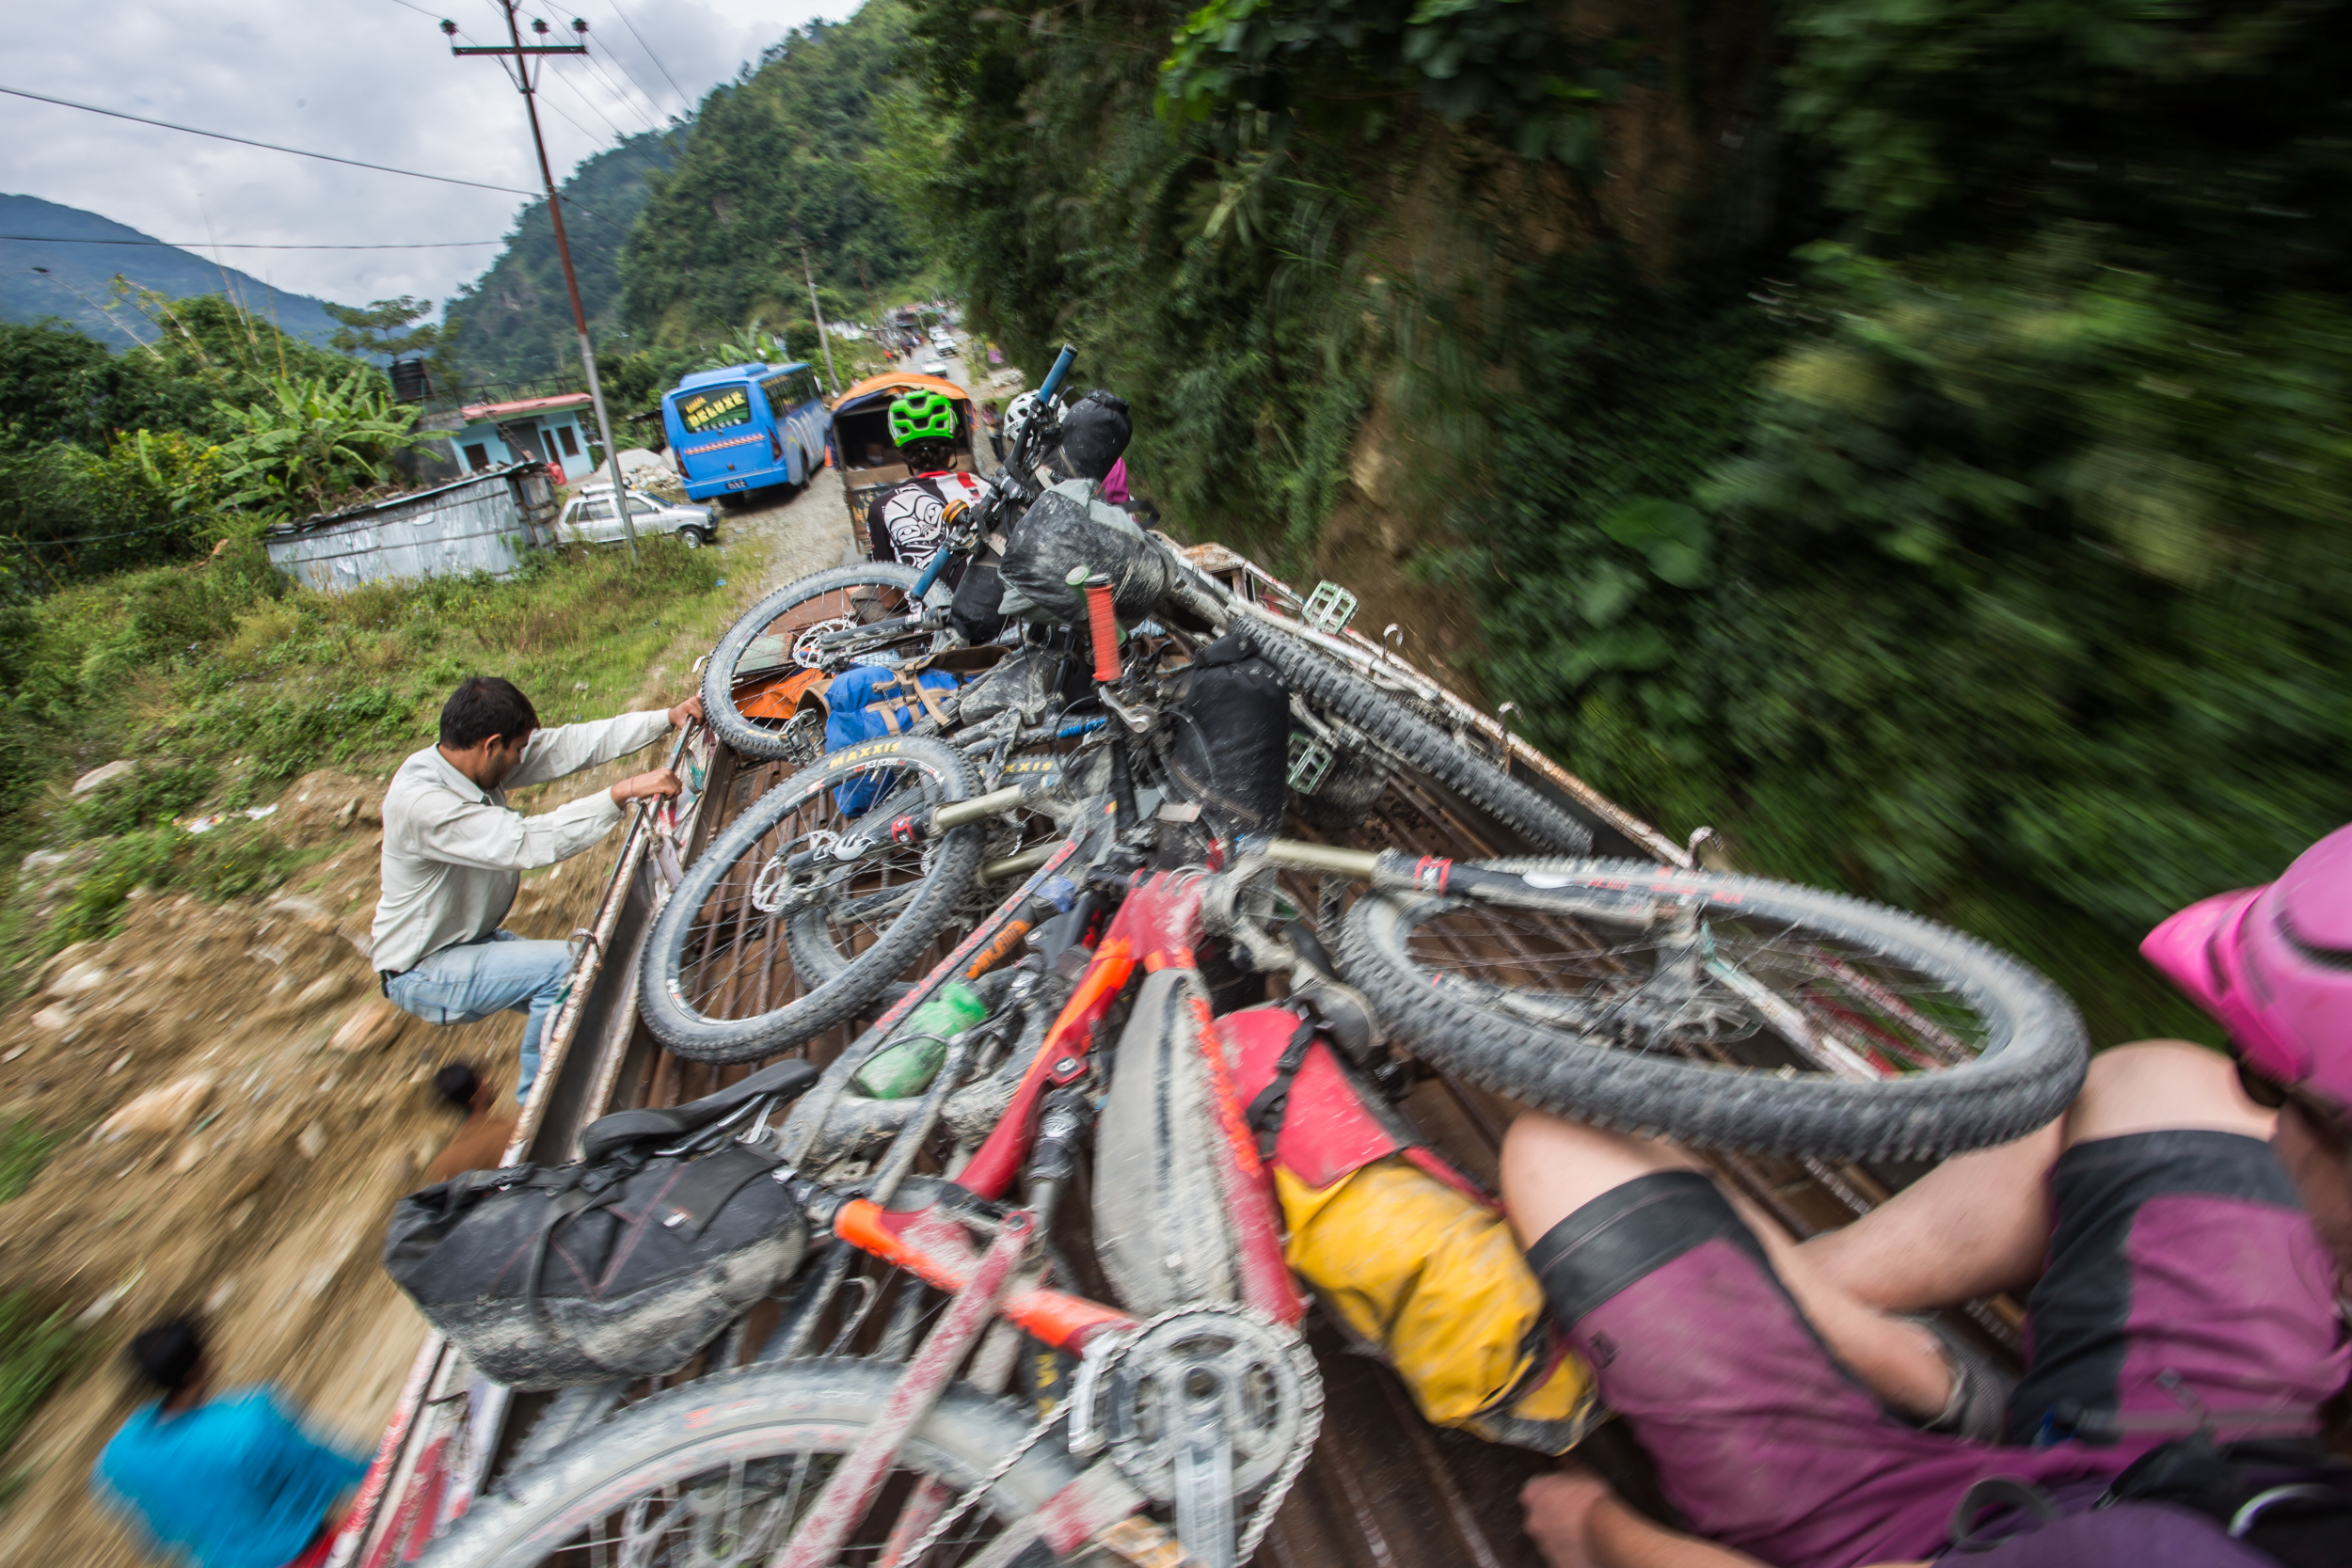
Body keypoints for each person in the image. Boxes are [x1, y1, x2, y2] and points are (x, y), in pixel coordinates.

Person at [1507, 824, 2352, 1568]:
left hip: (1972, 1537)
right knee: (2175, 1080)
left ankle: (1839, 1337)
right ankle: (1836, 1313)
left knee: (1563, 1147)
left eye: (2287, 1094)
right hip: (2237, 1472)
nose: (2274, 1126)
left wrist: (1599, 1534)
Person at [371, 675, 696, 1101]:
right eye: (518, 750)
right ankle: (536, 1118)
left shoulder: (463, 764)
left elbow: (566, 746)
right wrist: (620, 794)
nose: (524, 758)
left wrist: (664, 719)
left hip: (466, 940)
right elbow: (523, 842)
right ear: (491, 745)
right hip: (425, 968)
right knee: (568, 971)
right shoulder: (423, 803)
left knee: (589, 993)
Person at [93, 1317, 365, 1568]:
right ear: (201, 1363)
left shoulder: (120, 1455)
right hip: (307, 1555)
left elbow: (158, 1534)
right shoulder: (250, 1422)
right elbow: (325, 1471)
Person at [864, 387, 986, 579]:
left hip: (931, 607)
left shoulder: (882, 507)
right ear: (953, 444)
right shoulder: (985, 487)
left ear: (901, 452)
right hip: (996, 603)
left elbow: (889, 599)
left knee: (860, 595)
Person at [421, 1060, 517, 1183]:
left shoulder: (444, 1164)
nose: (485, 1083)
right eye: (481, 1080)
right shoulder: (508, 1132)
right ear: (476, 1097)